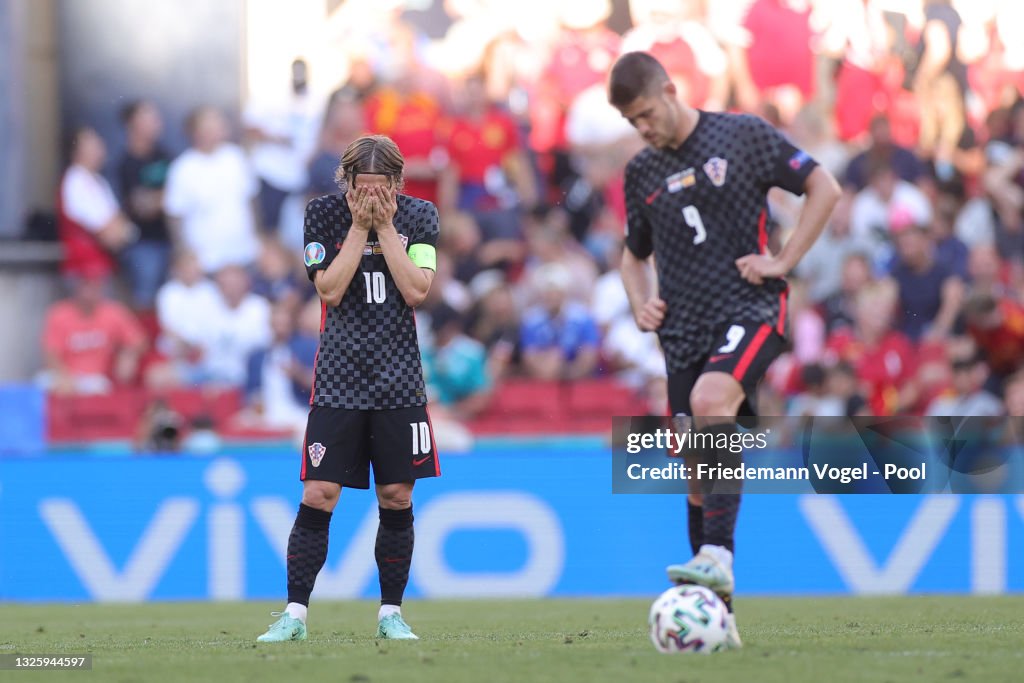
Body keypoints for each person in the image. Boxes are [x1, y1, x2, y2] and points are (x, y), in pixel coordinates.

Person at [608, 52, 840, 648]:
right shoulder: (641, 172)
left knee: (714, 403)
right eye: (632, 122)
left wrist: (785, 261)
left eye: (646, 114)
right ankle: (718, 612)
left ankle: (716, 553)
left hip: (751, 309)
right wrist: (641, 301)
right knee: (693, 469)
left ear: (670, 88)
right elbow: (632, 255)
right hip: (682, 330)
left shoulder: (741, 134)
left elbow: (824, 186)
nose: (643, 128)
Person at [257, 135, 439, 643]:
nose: (373, 197)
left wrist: (385, 226)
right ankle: (294, 614)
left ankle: (391, 615)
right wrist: (361, 227)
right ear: (347, 182)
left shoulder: (422, 216)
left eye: (383, 189)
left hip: (400, 377)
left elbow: (416, 289)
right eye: (363, 188)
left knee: (397, 496)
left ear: (399, 184)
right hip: (339, 376)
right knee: (319, 492)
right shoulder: (323, 215)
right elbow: (330, 289)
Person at [117, 100, 173, 310]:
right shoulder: (126, 162)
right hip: (143, 246)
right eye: (149, 118)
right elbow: (142, 206)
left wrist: (159, 198)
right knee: (144, 303)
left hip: (170, 242)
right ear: (133, 123)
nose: (157, 123)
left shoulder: (165, 155)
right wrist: (168, 197)